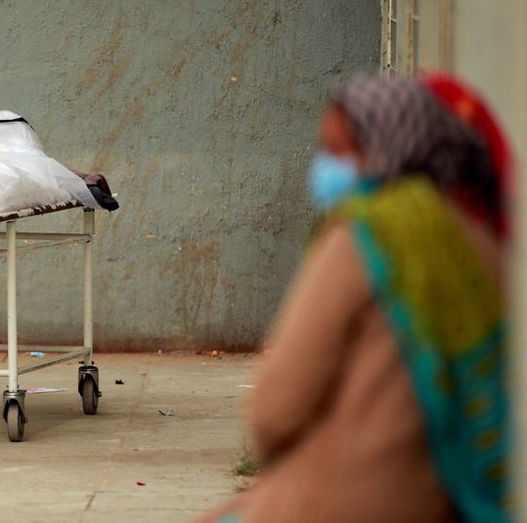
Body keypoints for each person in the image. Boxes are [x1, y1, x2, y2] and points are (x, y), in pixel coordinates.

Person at [201, 72, 512, 523]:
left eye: (339, 151)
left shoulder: (366, 235)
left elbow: (275, 409)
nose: (327, 167)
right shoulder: (481, 245)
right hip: (452, 498)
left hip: (342, 499)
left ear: (388, 143)